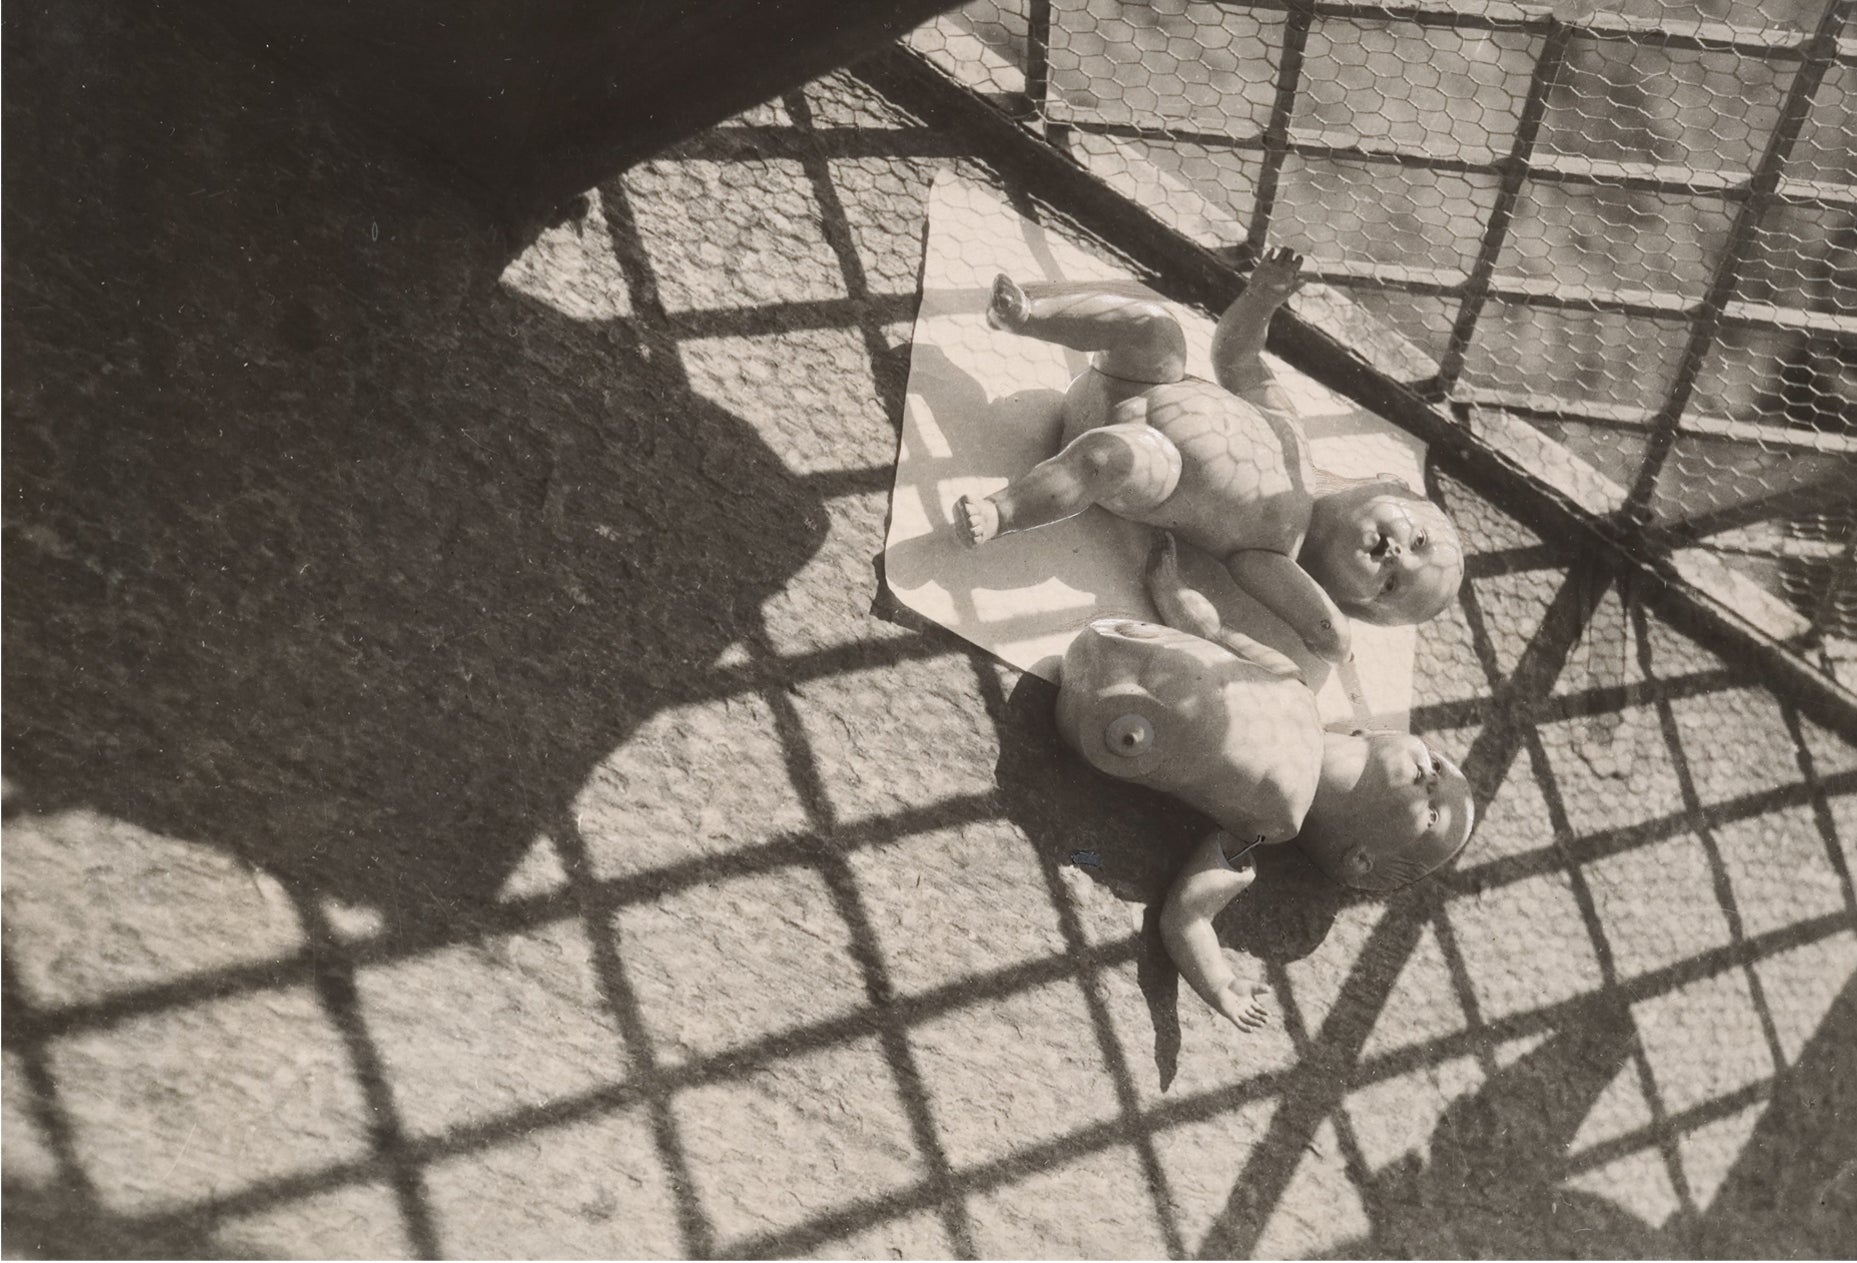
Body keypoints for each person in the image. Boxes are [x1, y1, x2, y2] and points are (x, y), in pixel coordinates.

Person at [958, 249, 1463, 666]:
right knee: (1155, 327)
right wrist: (1261, 298)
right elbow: (1237, 356)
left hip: (1153, 466)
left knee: (1109, 459)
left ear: (1346, 599)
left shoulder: (1274, 554)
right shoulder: (1291, 431)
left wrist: (1335, 636)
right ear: (1391, 484)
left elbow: (1327, 636)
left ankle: (1003, 511)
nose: (1398, 557)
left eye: (1390, 586)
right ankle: (1026, 316)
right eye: (1418, 538)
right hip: (1141, 381)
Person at [1056, 533, 1476, 1032]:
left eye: (1433, 815)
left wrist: (1219, 983)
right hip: (1129, 643)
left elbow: (1189, 913)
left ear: (1361, 857)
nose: (1436, 781)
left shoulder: (1270, 824)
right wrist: (1171, 591)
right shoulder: (1296, 686)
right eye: (1440, 765)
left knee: (1141, 733)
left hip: (1109, 724)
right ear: (1370, 733)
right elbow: (1215, 631)